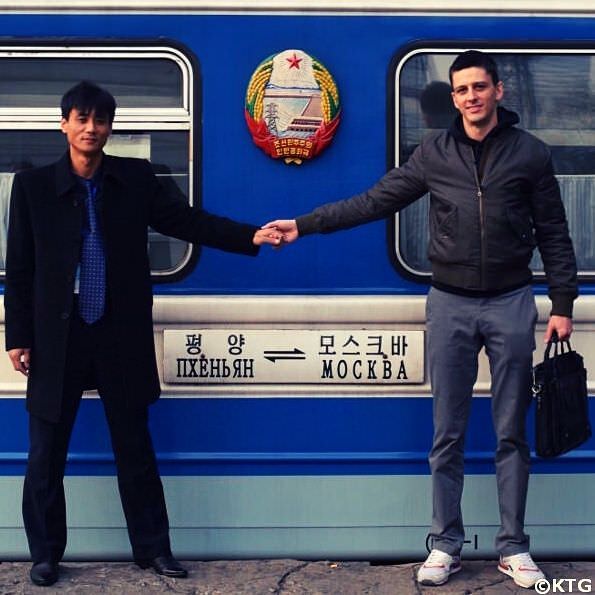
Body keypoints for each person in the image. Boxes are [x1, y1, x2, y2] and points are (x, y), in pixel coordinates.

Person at [263, 50, 577, 589]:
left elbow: (554, 230)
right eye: (461, 90)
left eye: (480, 87)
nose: (471, 97)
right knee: (447, 432)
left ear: (499, 91)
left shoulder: (530, 154)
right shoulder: (434, 152)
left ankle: (514, 548)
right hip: (449, 302)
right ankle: (445, 545)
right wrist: (305, 224)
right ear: (453, 98)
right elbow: (374, 202)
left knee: (510, 432)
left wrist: (563, 304)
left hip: (511, 301)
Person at [4, 81, 281, 587]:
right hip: (57, 337)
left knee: (135, 447)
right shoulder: (33, 188)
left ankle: (153, 550)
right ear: (63, 124)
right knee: (46, 454)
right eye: (81, 119)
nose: (91, 129)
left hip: (118, 332)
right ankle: (45, 554)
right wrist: (17, 336)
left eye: (100, 120)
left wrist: (249, 236)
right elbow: (19, 268)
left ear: (110, 128)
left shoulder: (136, 178)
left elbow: (187, 221)